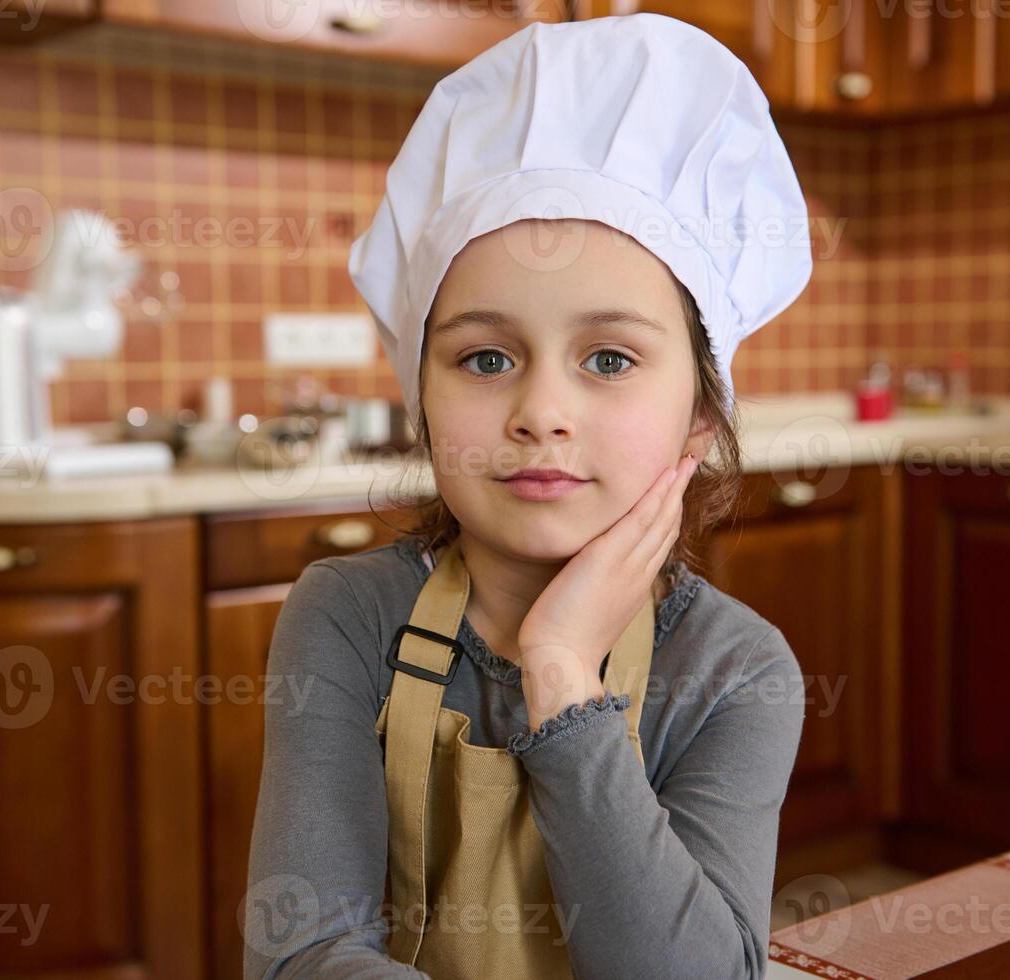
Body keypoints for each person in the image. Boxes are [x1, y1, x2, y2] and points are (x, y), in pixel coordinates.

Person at [244, 12, 813, 979]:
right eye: (486, 357)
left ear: (699, 421)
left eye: (608, 357)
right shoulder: (345, 617)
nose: (541, 411)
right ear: (417, 401)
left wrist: (559, 671)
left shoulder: (735, 670)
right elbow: (301, 957)